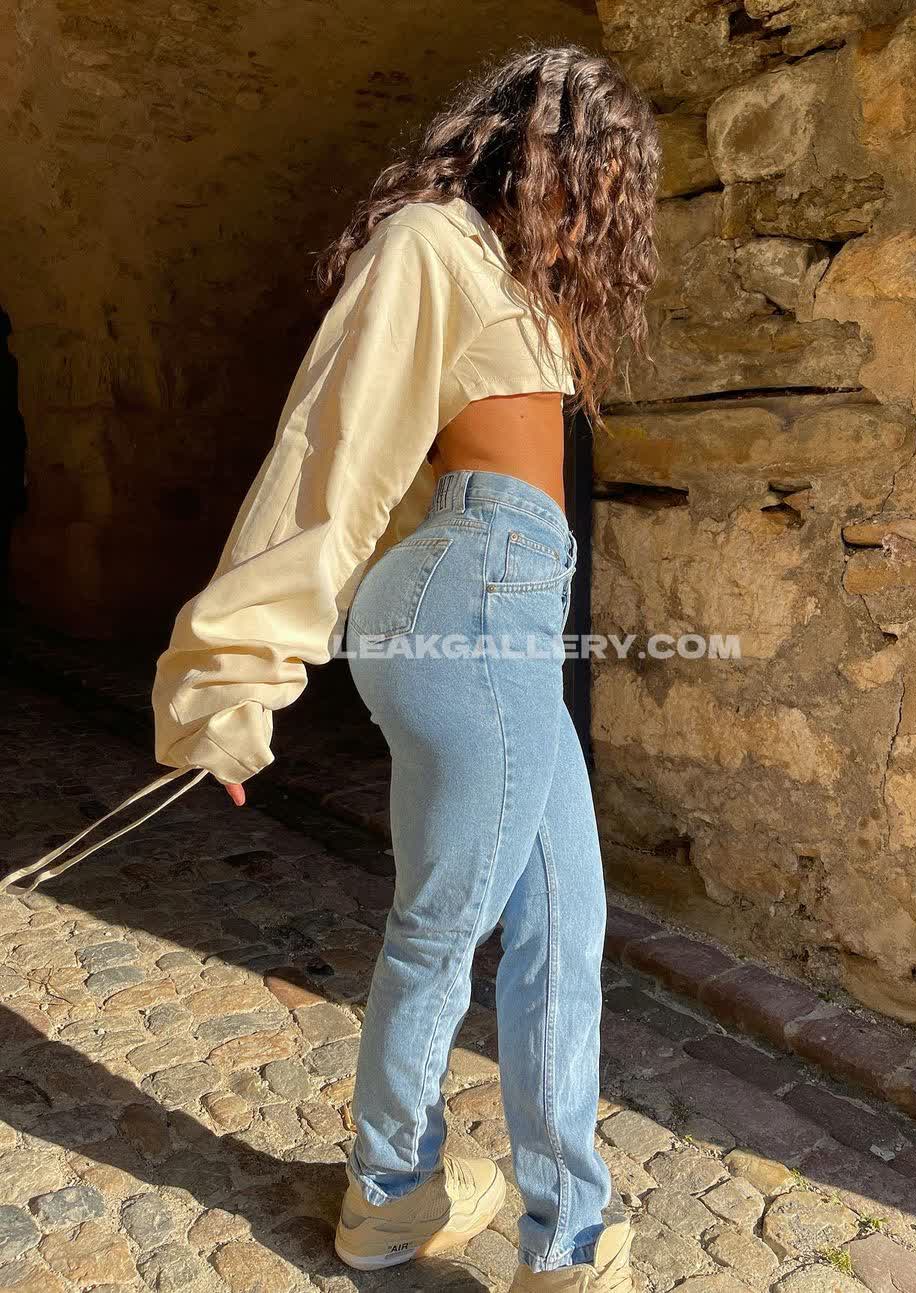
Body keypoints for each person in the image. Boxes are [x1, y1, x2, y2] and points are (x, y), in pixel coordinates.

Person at [35, 43, 660, 1290]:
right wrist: (236, 674)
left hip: (506, 613)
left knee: (565, 927)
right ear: (539, 151)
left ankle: (550, 1229)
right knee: (448, 922)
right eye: (599, 169)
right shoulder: (430, 243)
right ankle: (395, 1196)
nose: (602, 204)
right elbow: (330, 452)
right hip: (467, 602)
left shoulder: (507, 280)